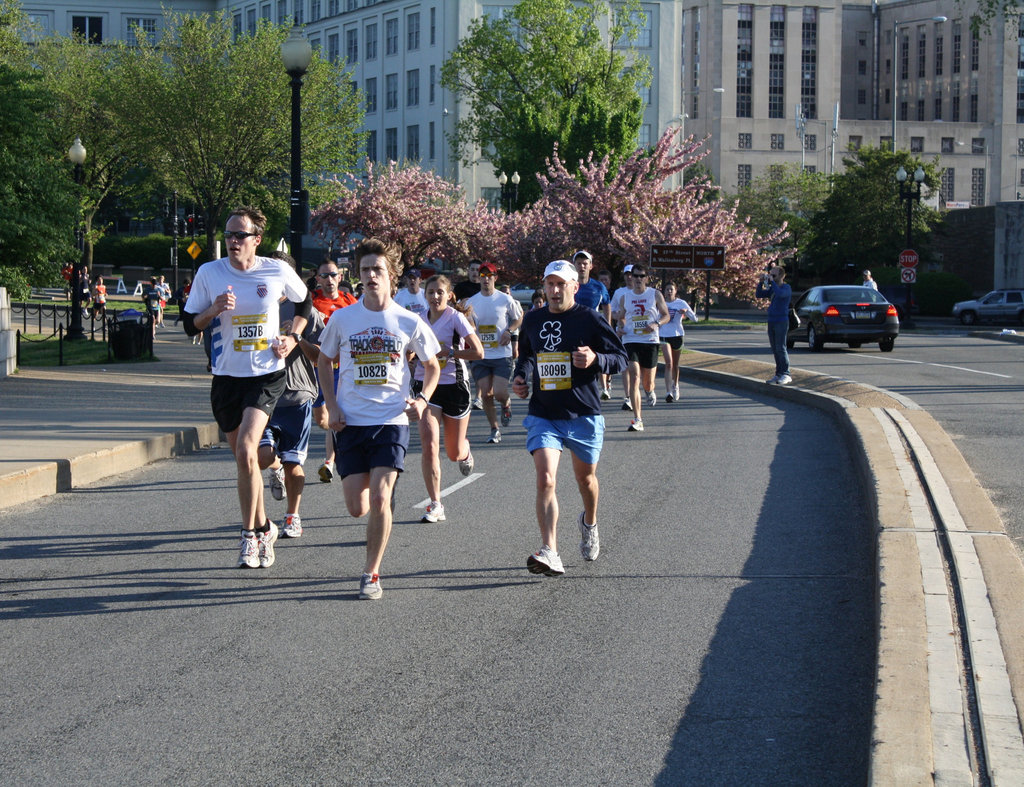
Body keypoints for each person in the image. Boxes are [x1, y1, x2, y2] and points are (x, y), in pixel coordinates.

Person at [182, 205, 312, 569]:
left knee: (246, 449)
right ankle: (265, 525)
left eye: (240, 236)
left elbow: (305, 302)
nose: (233, 241)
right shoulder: (210, 273)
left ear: (256, 240)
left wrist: (292, 337)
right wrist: (213, 311)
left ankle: (250, 538)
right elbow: (189, 325)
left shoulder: (276, 269)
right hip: (226, 378)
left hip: (266, 374)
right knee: (245, 461)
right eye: (229, 235)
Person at [316, 238, 442, 600]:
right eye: (366, 269)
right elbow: (325, 361)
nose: (371, 275)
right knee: (358, 507)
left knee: (381, 500)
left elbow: (432, 364)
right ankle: (377, 509)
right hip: (351, 422)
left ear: (392, 275)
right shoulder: (343, 318)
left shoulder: (407, 320)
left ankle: (371, 573)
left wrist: (423, 399)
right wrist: (332, 404)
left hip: (392, 420)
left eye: (378, 270)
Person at [511, 260, 627, 576]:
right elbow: (526, 358)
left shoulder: (589, 319)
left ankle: (589, 520)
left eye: (561, 284)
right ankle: (550, 550)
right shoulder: (533, 319)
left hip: (583, 414)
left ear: (575, 287)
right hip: (544, 413)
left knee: (585, 479)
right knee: (546, 477)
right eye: (549, 284)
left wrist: (595, 358)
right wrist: (520, 379)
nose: (554, 290)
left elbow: (621, 359)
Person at [257, 275, 326, 539]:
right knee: (264, 457)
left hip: (297, 396)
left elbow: (320, 356)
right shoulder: (255, 307)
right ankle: (275, 470)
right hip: (263, 396)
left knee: (293, 464)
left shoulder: (307, 311)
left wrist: (296, 337)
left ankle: (292, 516)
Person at [414, 274, 485, 523]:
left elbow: (478, 352)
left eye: (439, 292)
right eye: (430, 292)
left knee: (453, 452)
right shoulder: (418, 320)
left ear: (449, 295)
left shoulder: (456, 319)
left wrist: (451, 351)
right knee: (430, 445)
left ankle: (465, 453)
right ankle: (435, 503)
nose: (435, 297)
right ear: (425, 295)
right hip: (426, 388)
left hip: (454, 386)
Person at [311, 258, 358, 483]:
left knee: (332, 416)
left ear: (340, 277)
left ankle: (329, 462)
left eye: (333, 275)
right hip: (312, 370)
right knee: (321, 419)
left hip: (339, 370)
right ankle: (332, 447)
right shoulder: (311, 303)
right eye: (325, 275)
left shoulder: (350, 301)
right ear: (318, 279)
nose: (329, 280)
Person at [467, 261, 523, 444]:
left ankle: (506, 404)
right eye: (482, 276)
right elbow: (469, 323)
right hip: (481, 355)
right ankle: (494, 429)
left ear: (495, 278)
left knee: (499, 393)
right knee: (485, 394)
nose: (485, 279)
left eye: (489, 276)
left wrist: (509, 331)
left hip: (501, 354)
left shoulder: (505, 299)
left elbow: (518, 317)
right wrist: (472, 328)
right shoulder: (472, 301)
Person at [613, 263, 669, 432]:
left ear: (646, 278)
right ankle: (638, 419)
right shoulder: (625, 297)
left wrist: (656, 323)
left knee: (647, 382)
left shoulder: (655, 294)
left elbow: (666, 315)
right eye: (634, 275)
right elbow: (620, 317)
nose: (636, 279)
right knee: (635, 376)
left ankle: (650, 390)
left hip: (650, 340)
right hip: (631, 340)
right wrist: (619, 328)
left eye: (640, 276)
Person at [572, 250, 612, 399]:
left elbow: (607, 305)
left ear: (590, 266)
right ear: (574, 266)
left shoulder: (598, 287)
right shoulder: (569, 285)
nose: (582, 266)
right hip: (572, 331)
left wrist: (607, 326)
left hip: (593, 332)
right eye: (579, 263)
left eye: (585, 263)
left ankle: (597, 390)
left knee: (593, 363)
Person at [659, 281, 699, 402]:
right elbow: (655, 318)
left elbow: (695, 319)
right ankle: (668, 392)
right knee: (668, 363)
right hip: (664, 335)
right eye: (667, 289)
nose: (669, 291)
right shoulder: (660, 303)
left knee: (675, 364)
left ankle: (675, 385)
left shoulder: (681, 303)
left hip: (677, 335)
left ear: (676, 291)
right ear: (664, 292)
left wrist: (685, 312)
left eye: (671, 289)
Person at [756, 265, 793, 385]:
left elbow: (781, 294)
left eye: (774, 275)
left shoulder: (786, 287)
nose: (771, 276)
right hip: (771, 320)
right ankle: (778, 373)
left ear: (781, 276)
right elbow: (759, 294)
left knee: (781, 348)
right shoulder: (773, 288)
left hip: (781, 321)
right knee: (775, 349)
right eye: (770, 274)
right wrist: (761, 282)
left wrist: (773, 282)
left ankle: (786, 373)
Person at [609, 265, 635, 407]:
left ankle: (645, 390)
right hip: (624, 333)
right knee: (626, 366)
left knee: (638, 369)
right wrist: (618, 318)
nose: (629, 277)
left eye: (632, 274)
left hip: (641, 336)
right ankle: (628, 397)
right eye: (627, 274)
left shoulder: (644, 293)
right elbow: (612, 311)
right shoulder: (619, 292)